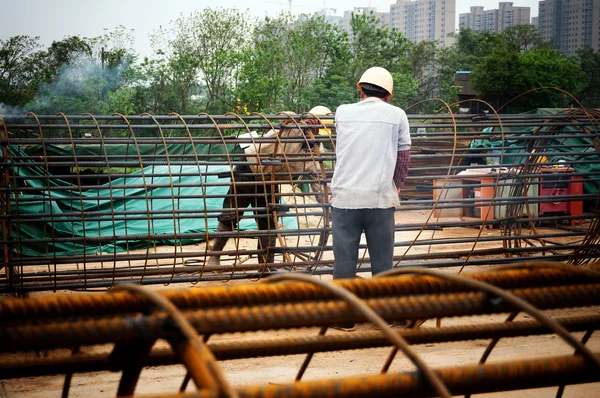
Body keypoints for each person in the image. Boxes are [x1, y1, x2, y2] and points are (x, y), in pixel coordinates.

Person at [330, 66, 411, 331]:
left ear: (361, 90)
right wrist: (395, 187)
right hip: (380, 200)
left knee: (344, 259)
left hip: (345, 199)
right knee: (382, 260)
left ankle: (344, 317)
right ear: (388, 94)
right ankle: (383, 316)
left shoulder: (342, 111)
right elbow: (403, 158)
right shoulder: (397, 115)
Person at [207, 109, 329, 270]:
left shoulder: (314, 151)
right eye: (315, 126)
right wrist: (300, 121)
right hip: (250, 167)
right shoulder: (291, 127)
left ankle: (266, 265)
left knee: (269, 222)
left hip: (271, 180)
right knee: (231, 214)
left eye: (319, 130)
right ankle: (214, 256)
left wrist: (325, 202)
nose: (315, 132)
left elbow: (317, 180)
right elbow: (283, 115)